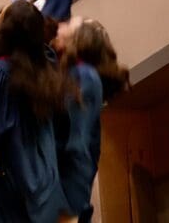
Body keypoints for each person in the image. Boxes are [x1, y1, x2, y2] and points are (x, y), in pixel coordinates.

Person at [0, 0, 71, 223]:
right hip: (44, 193)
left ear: (4, 30)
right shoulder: (50, 80)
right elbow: (63, 135)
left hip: (6, 194)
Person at [56, 18, 129, 222]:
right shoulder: (75, 72)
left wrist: (65, 199)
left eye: (69, 25)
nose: (61, 27)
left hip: (67, 188)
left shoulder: (84, 75)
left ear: (81, 39)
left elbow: (75, 140)